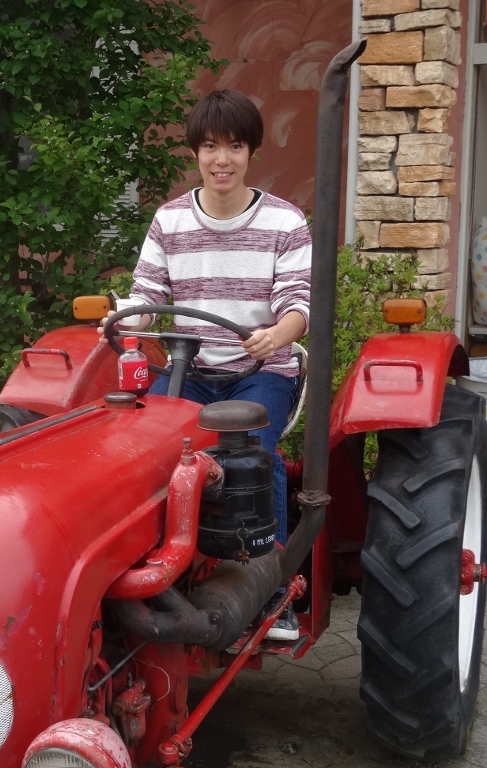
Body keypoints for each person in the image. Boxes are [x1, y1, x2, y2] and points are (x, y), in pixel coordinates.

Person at [100, 89, 312, 641]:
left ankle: (273, 588)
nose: (223, 159)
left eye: (235, 146)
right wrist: (127, 318)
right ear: (195, 152)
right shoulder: (170, 220)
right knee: (149, 451)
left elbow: (298, 305)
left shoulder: (284, 221)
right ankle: (158, 572)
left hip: (260, 370)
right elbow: (148, 294)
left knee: (253, 453)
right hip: (189, 371)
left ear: (251, 152)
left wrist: (276, 336)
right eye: (211, 146)